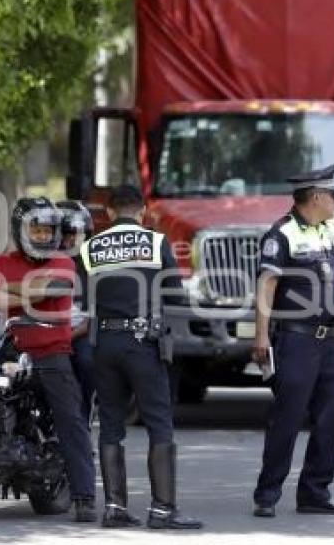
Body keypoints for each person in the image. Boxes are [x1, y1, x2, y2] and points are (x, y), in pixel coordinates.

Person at [251, 163, 334, 518]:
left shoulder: (333, 233)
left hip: (329, 342)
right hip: (295, 341)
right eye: (332, 194)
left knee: (331, 415)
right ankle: (267, 494)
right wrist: (261, 334)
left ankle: (315, 491)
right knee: (288, 416)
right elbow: (267, 284)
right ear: (315, 197)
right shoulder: (281, 235)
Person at [77, 184, 202, 530]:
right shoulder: (157, 243)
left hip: (103, 344)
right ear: (143, 211)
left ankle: (115, 507)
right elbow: (174, 295)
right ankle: (163, 510)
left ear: (111, 213)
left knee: (111, 425)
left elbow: (81, 297)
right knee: (159, 422)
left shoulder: (89, 248)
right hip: (143, 343)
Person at [0, 196, 97, 523]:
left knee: (70, 419)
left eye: (48, 231)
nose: (43, 236)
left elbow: (48, 290)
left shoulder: (63, 263)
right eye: (37, 230)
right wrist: (28, 292)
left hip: (52, 352)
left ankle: (85, 495)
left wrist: (12, 291)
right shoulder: (0, 261)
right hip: (8, 350)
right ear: (21, 229)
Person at [56, 200, 96, 425]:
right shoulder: (42, 263)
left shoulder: (92, 267)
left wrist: (66, 336)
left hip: (77, 333)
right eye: (65, 234)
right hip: (44, 333)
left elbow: (90, 319)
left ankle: (82, 421)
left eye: (76, 235)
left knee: (87, 362)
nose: (71, 240)